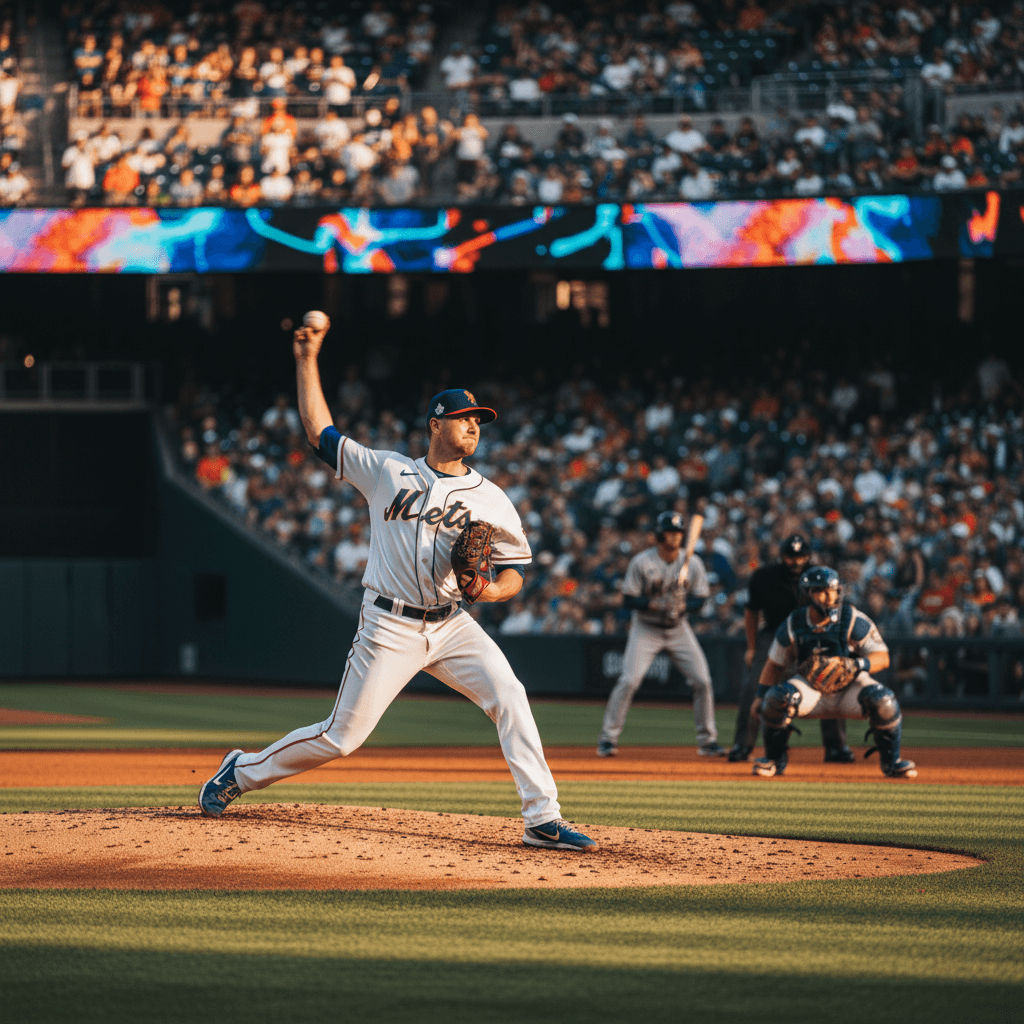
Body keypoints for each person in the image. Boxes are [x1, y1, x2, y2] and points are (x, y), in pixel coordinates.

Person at [200, 316, 595, 852]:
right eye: (463, 418)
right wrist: (306, 358)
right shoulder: (387, 471)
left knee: (510, 694)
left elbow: (514, 575)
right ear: (435, 425)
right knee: (342, 738)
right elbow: (321, 433)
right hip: (388, 623)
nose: (474, 426)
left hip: (453, 624)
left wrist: (489, 591)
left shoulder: (492, 497)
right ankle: (240, 771)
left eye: (479, 420)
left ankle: (541, 818)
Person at [750, 566, 917, 779]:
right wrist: (760, 695)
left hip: (849, 689)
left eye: (834, 590)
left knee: (883, 701)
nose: (831, 597)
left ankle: (892, 762)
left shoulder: (852, 618)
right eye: (822, 591)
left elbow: (882, 657)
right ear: (807, 594)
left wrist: (855, 665)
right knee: (775, 699)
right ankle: (774, 760)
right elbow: (774, 664)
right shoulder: (795, 622)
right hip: (811, 689)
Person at [597, 510, 727, 758]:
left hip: (679, 629)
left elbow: (700, 600)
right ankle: (607, 739)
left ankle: (707, 741)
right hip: (646, 628)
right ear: (659, 534)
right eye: (670, 532)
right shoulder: (642, 562)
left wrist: (684, 607)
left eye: (678, 533)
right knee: (629, 680)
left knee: (703, 681)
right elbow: (628, 600)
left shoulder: (693, 563)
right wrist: (654, 605)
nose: (675, 537)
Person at [730, 534, 854, 763]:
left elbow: (835, 608)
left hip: (812, 634)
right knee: (754, 684)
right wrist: (751, 647)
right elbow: (751, 612)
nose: (796, 561)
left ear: (808, 556)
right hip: (774, 634)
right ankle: (743, 745)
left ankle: (836, 746)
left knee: (829, 678)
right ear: (781, 556)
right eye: (790, 556)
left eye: (801, 556)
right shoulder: (764, 577)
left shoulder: (820, 575)